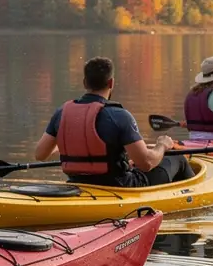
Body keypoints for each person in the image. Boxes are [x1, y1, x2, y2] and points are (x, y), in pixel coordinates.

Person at [35, 56, 195, 187]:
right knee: (177, 158)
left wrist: (72, 142)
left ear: (84, 83)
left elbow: (40, 154)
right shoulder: (119, 116)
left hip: (78, 184)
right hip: (120, 187)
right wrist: (163, 145)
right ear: (111, 83)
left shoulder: (62, 112)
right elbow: (146, 163)